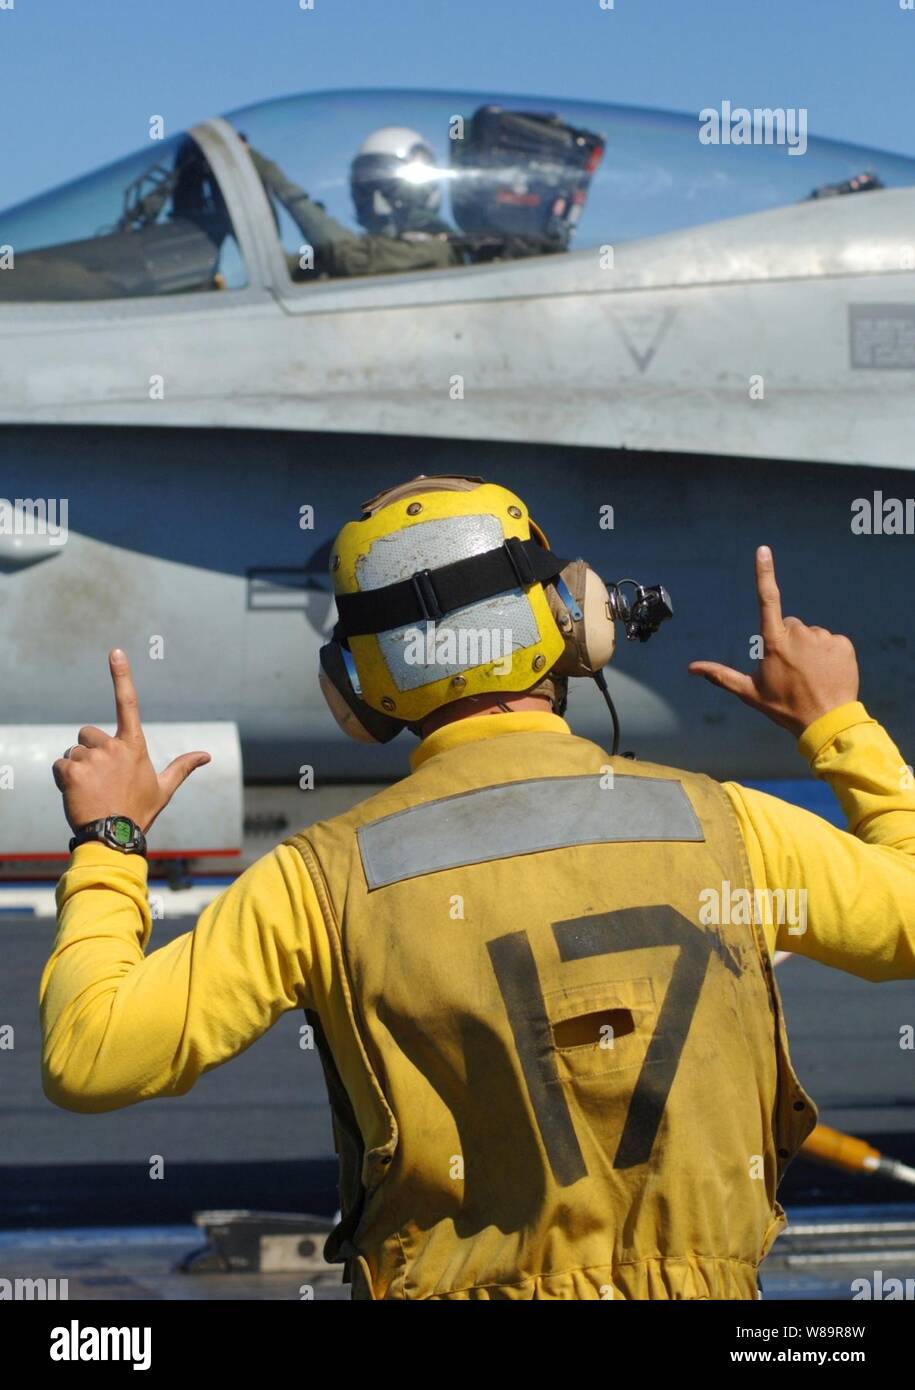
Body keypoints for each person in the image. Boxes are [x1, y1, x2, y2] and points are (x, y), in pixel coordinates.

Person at [40, 475, 915, 1301]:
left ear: (357, 683)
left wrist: (110, 841)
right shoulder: (728, 828)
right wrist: (838, 727)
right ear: (571, 621)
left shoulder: (318, 883)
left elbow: (91, 1054)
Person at [242, 127, 462, 280]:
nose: (372, 199)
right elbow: (286, 270)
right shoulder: (367, 250)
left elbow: (349, 255)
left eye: (384, 186)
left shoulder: (436, 250)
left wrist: (268, 172)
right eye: (364, 186)